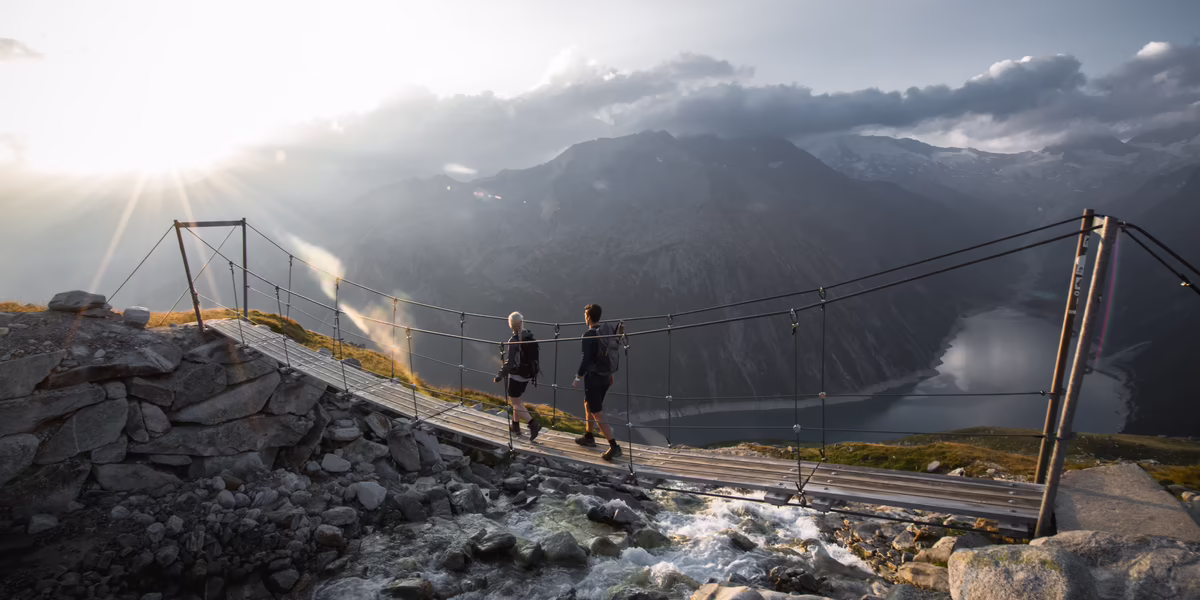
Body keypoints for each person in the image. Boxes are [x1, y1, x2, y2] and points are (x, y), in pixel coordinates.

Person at [573, 303, 622, 461]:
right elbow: (607, 354)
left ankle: (614, 446)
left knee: (597, 412)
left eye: (585, 315)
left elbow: (586, 360)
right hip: (605, 377)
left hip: (594, 378)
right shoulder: (606, 332)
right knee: (588, 404)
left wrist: (577, 378)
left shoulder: (589, 335)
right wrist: (610, 373)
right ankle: (589, 436)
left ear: (588, 317)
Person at [494, 311, 542, 441]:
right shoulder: (529, 336)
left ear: (511, 324)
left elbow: (509, 363)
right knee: (517, 401)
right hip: (528, 375)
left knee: (515, 403)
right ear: (521, 322)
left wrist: (500, 375)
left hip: (517, 375)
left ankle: (532, 423)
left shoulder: (514, 341)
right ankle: (515, 426)